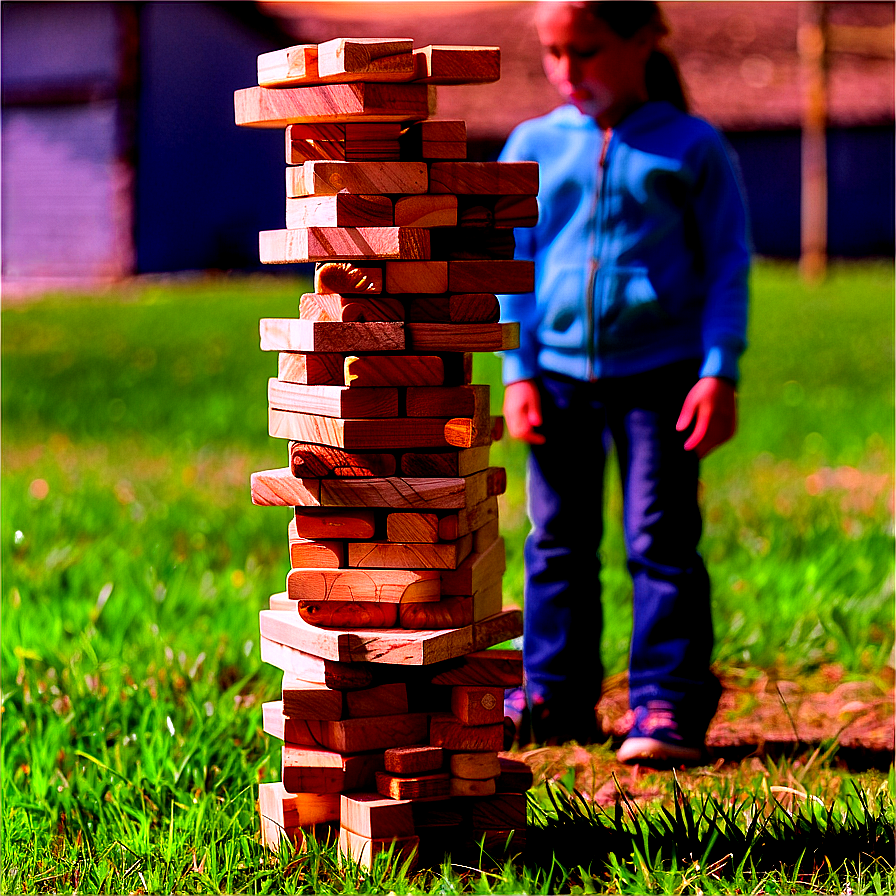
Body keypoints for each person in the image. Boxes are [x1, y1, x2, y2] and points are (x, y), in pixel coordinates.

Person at [498, 0, 750, 764]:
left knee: (660, 539)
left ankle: (666, 702)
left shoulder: (692, 147)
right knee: (557, 541)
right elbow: (513, 267)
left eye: (587, 50)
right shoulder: (532, 145)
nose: (568, 71)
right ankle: (554, 693)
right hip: (559, 378)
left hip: (663, 377)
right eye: (553, 52)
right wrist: (519, 370)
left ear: (643, 41)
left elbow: (728, 268)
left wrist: (719, 371)